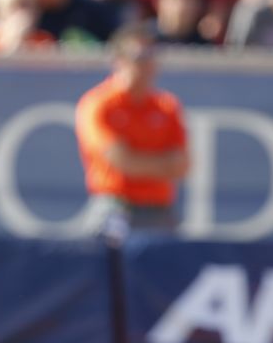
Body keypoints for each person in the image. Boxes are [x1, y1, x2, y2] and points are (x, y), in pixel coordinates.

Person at [74, 23, 191, 242]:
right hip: (115, 208)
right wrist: (161, 164)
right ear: (119, 61)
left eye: (151, 55)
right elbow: (120, 159)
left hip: (160, 210)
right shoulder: (99, 104)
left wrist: (137, 161)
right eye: (139, 56)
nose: (147, 63)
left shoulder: (166, 105)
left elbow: (182, 164)